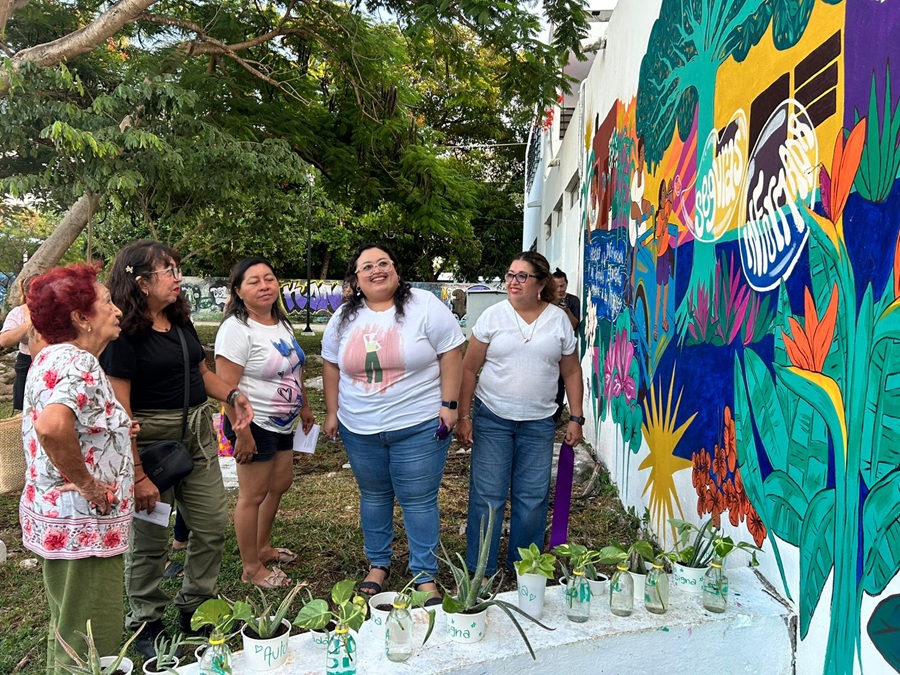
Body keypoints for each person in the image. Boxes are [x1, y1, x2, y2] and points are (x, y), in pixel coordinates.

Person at [100, 240, 253, 659]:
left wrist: (233, 394)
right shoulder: (123, 336)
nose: (178, 278)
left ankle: (197, 606)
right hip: (149, 440)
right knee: (149, 538)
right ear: (141, 281)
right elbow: (120, 411)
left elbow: (201, 373)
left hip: (196, 433)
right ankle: (145, 618)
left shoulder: (179, 320)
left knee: (211, 524)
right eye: (168, 271)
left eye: (175, 269)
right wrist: (137, 473)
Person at [322, 243, 463, 603]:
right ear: (356, 279)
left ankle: (424, 574)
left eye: (383, 263)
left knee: (418, 500)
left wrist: (450, 405)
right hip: (360, 429)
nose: (376, 270)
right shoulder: (343, 318)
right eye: (367, 266)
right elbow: (330, 364)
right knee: (374, 496)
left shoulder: (424, 305)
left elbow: (451, 352)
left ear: (396, 271)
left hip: (419, 425)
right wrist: (332, 411)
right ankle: (378, 563)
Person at [19, 265, 133, 673]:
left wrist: (115, 431)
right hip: (85, 525)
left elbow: (70, 423)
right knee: (90, 640)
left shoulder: (49, 356)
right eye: (106, 302)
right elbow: (51, 426)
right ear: (81, 318)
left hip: (57, 522)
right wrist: (88, 484)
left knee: (67, 627)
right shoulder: (79, 363)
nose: (117, 310)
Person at [456, 251, 584, 578]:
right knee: (488, 496)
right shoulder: (492, 316)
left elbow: (571, 372)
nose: (513, 281)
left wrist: (576, 416)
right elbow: (469, 368)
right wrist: (465, 416)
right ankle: (480, 568)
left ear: (541, 283)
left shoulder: (558, 321)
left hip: (539, 423)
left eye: (522, 276)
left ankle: (524, 567)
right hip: (493, 418)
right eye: (510, 274)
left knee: (532, 497)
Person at [215, 256, 315, 589]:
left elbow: (293, 369)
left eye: (269, 278)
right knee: (252, 495)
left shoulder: (281, 323)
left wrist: (304, 407)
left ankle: (263, 546)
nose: (264, 285)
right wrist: (241, 434)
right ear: (238, 291)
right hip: (253, 425)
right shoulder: (236, 329)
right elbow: (225, 388)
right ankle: (251, 568)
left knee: (280, 483)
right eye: (253, 281)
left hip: (283, 422)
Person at [1, 275, 34, 412]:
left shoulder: (56, 311)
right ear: (26, 292)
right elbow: (4, 340)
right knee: (22, 409)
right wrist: (28, 324)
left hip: (52, 362)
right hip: (26, 361)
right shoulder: (18, 313)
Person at [551, 268, 580, 423]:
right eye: (556, 286)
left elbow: (575, 325)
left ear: (567, 285)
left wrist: (567, 311)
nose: (560, 290)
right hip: (550, 348)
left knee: (562, 384)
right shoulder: (546, 301)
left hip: (566, 351)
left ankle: (556, 415)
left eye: (562, 286)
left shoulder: (573, 301)